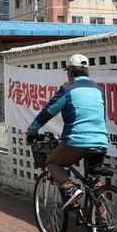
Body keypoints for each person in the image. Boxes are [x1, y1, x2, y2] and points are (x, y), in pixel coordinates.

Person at [26, 54, 109, 210]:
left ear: (70, 72)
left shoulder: (67, 90)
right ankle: (102, 224)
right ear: (86, 71)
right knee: (94, 184)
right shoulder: (98, 90)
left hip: (77, 142)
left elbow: (47, 112)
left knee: (51, 161)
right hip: (101, 141)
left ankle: (70, 189)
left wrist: (32, 130)